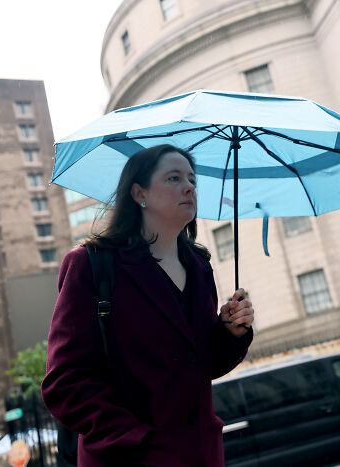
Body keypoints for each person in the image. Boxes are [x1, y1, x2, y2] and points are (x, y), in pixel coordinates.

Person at [42, 144, 254, 466]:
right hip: (128, 457)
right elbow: (65, 382)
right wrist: (136, 439)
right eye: (173, 178)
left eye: (192, 180)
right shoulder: (92, 265)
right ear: (139, 192)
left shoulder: (199, 267)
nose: (189, 187)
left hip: (201, 454)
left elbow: (200, 367)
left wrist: (230, 333)